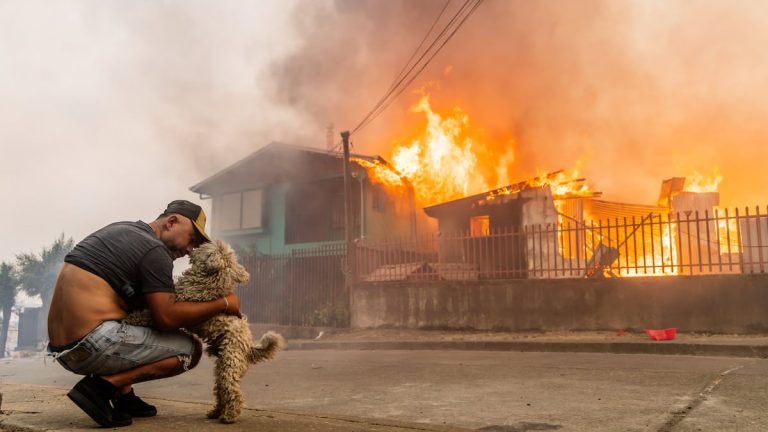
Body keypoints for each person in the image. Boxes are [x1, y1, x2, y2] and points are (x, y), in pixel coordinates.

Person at [47, 199, 242, 427]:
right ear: (171, 222)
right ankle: (101, 388)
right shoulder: (155, 250)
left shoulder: (121, 229)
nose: (191, 249)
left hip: (62, 351)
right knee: (190, 350)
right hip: (92, 343)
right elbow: (166, 318)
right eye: (192, 239)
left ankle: (124, 396)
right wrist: (224, 304)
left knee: (135, 316)